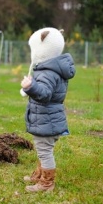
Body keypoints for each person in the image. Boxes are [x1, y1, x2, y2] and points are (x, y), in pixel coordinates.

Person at [20, 27, 76, 192]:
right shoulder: (52, 70)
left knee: (45, 152)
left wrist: (31, 86)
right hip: (48, 118)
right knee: (42, 149)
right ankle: (39, 175)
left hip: (46, 120)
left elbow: (44, 95)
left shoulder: (47, 73)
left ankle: (46, 183)